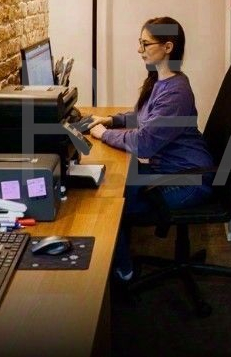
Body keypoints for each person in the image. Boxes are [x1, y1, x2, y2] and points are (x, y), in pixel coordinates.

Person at [88, 16, 214, 282]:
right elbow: (145, 118)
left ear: (168, 47)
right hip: (169, 170)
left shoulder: (176, 93)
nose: (139, 49)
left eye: (145, 44)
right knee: (110, 186)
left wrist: (104, 134)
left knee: (110, 208)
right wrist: (112, 120)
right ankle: (119, 265)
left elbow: (144, 143)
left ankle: (123, 272)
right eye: (140, 42)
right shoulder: (162, 81)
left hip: (189, 180)